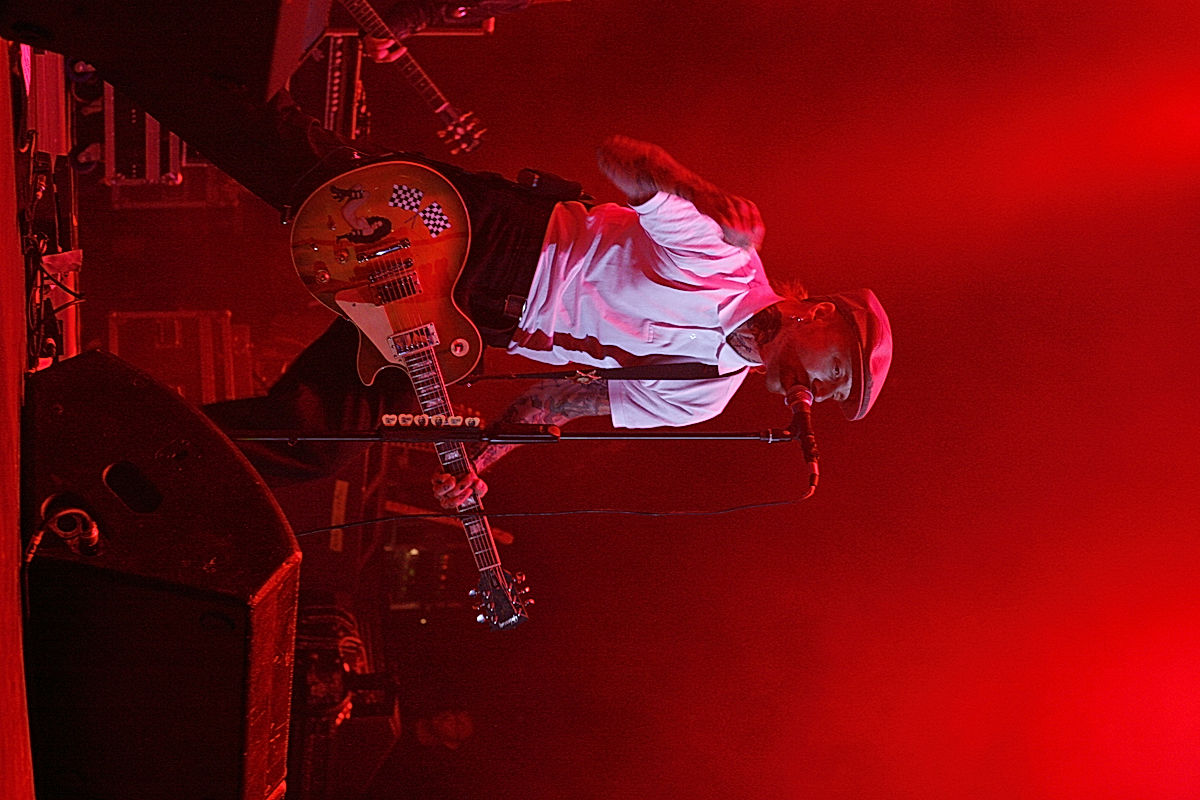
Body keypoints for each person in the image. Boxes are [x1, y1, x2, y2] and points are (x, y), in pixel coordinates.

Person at [39, 18, 894, 507]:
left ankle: (87, 456)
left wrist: (481, 459)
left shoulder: (705, 395)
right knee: (286, 165)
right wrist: (700, 191)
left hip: (482, 323)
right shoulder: (722, 254)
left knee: (320, 432)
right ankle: (102, 28)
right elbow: (619, 154)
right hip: (495, 237)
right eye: (838, 371)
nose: (821, 390)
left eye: (837, 395)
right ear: (823, 318)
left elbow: (558, 397)